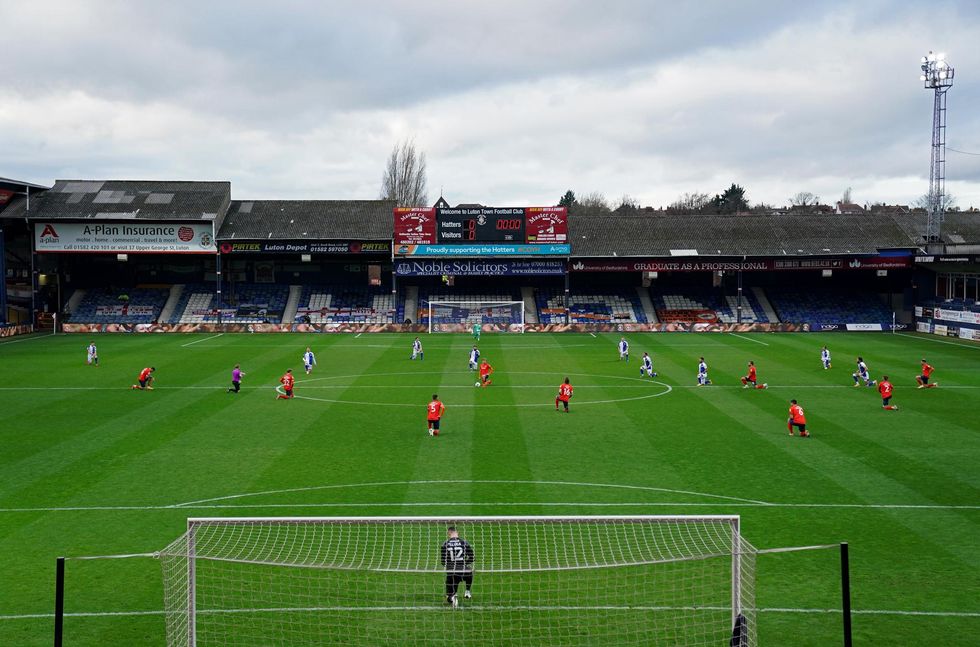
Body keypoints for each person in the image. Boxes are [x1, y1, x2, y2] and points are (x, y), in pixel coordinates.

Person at [441, 525, 474, 608]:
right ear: (457, 533)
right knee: (470, 571)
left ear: (449, 534)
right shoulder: (464, 543)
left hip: (452, 573)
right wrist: (464, 563)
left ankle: (452, 597)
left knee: (449, 594)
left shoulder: (445, 544)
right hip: (464, 571)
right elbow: (472, 557)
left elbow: (443, 562)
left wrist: (449, 565)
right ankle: (467, 591)